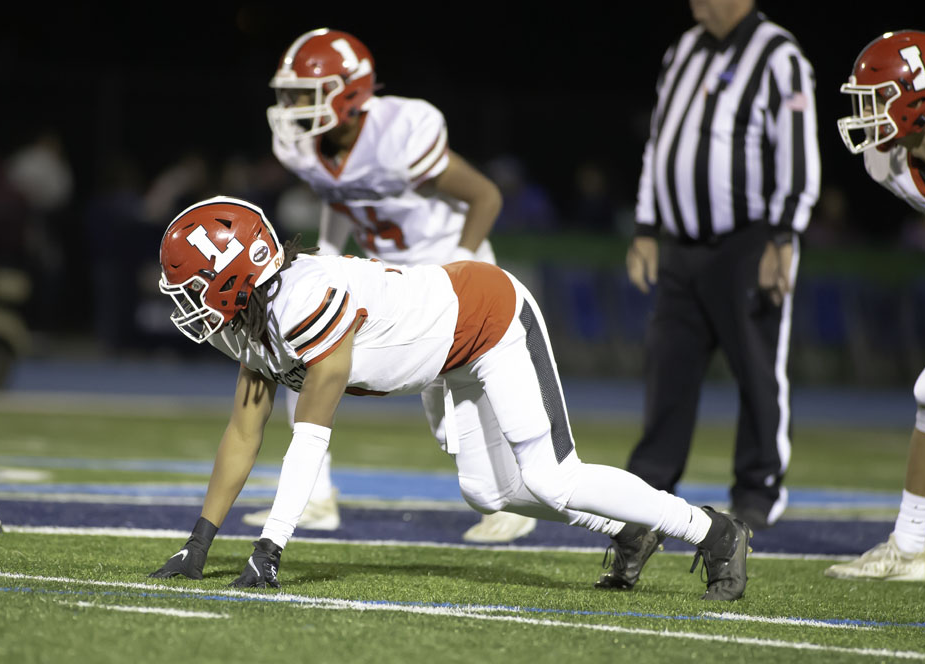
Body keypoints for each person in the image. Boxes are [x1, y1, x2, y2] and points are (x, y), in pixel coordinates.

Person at [146, 196, 751, 600]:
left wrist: (270, 548)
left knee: (552, 478)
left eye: (193, 284)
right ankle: (628, 530)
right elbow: (243, 434)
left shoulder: (304, 303)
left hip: (489, 317)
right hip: (449, 352)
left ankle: (712, 531)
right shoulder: (254, 323)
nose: (187, 302)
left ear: (233, 272)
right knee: (487, 492)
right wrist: (198, 545)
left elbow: (311, 436)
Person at [241, 28, 535, 543]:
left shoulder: (401, 130)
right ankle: (314, 498)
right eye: (288, 94)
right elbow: (337, 193)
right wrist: (327, 256)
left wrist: (461, 266)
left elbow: (485, 196)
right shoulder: (305, 147)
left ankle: (514, 493)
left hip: (445, 268)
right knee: (299, 353)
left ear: (349, 93)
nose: (290, 106)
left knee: (451, 409)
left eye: (304, 95)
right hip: (387, 274)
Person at [597, 0, 820, 590]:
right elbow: (659, 141)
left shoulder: (778, 54)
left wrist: (784, 236)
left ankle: (757, 496)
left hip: (747, 243)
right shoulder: (684, 49)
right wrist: (646, 227)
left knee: (756, 367)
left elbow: (798, 151)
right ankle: (646, 490)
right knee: (667, 368)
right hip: (681, 246)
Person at [826, 30, 925, 582]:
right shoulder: (888, 164)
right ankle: (908, 550)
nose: (867, 112)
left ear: (921, 99)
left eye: (877, 96)